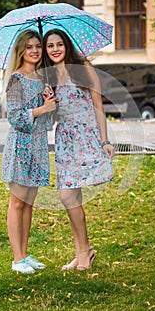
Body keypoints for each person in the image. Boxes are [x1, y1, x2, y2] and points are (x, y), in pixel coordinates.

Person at [43, 29, 115, 271]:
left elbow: (98, 106)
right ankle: (83, 252)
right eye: (50, 45)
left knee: (69, 196)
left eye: (59, 44)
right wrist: (48, 102)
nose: (55, 49)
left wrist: (105, 141)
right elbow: (51, 116)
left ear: (67, 46)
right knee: (69, 196)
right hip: (65, 139)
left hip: (86, 135)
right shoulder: (48, 77)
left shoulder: (82, 66)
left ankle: (84, 252)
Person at [2, 30, 57, 274]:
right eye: (29, 47)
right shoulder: (16, 79)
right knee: (17, 202)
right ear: (21, 51)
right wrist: (40, 109)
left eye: (38, 46)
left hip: (37, 145)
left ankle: (25, 254)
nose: (35, 51)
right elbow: (14, 117)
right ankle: (17, 259)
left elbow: (47, 120)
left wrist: (49, 102)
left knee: (29, 203)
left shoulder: (41, 78)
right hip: (20, 145)